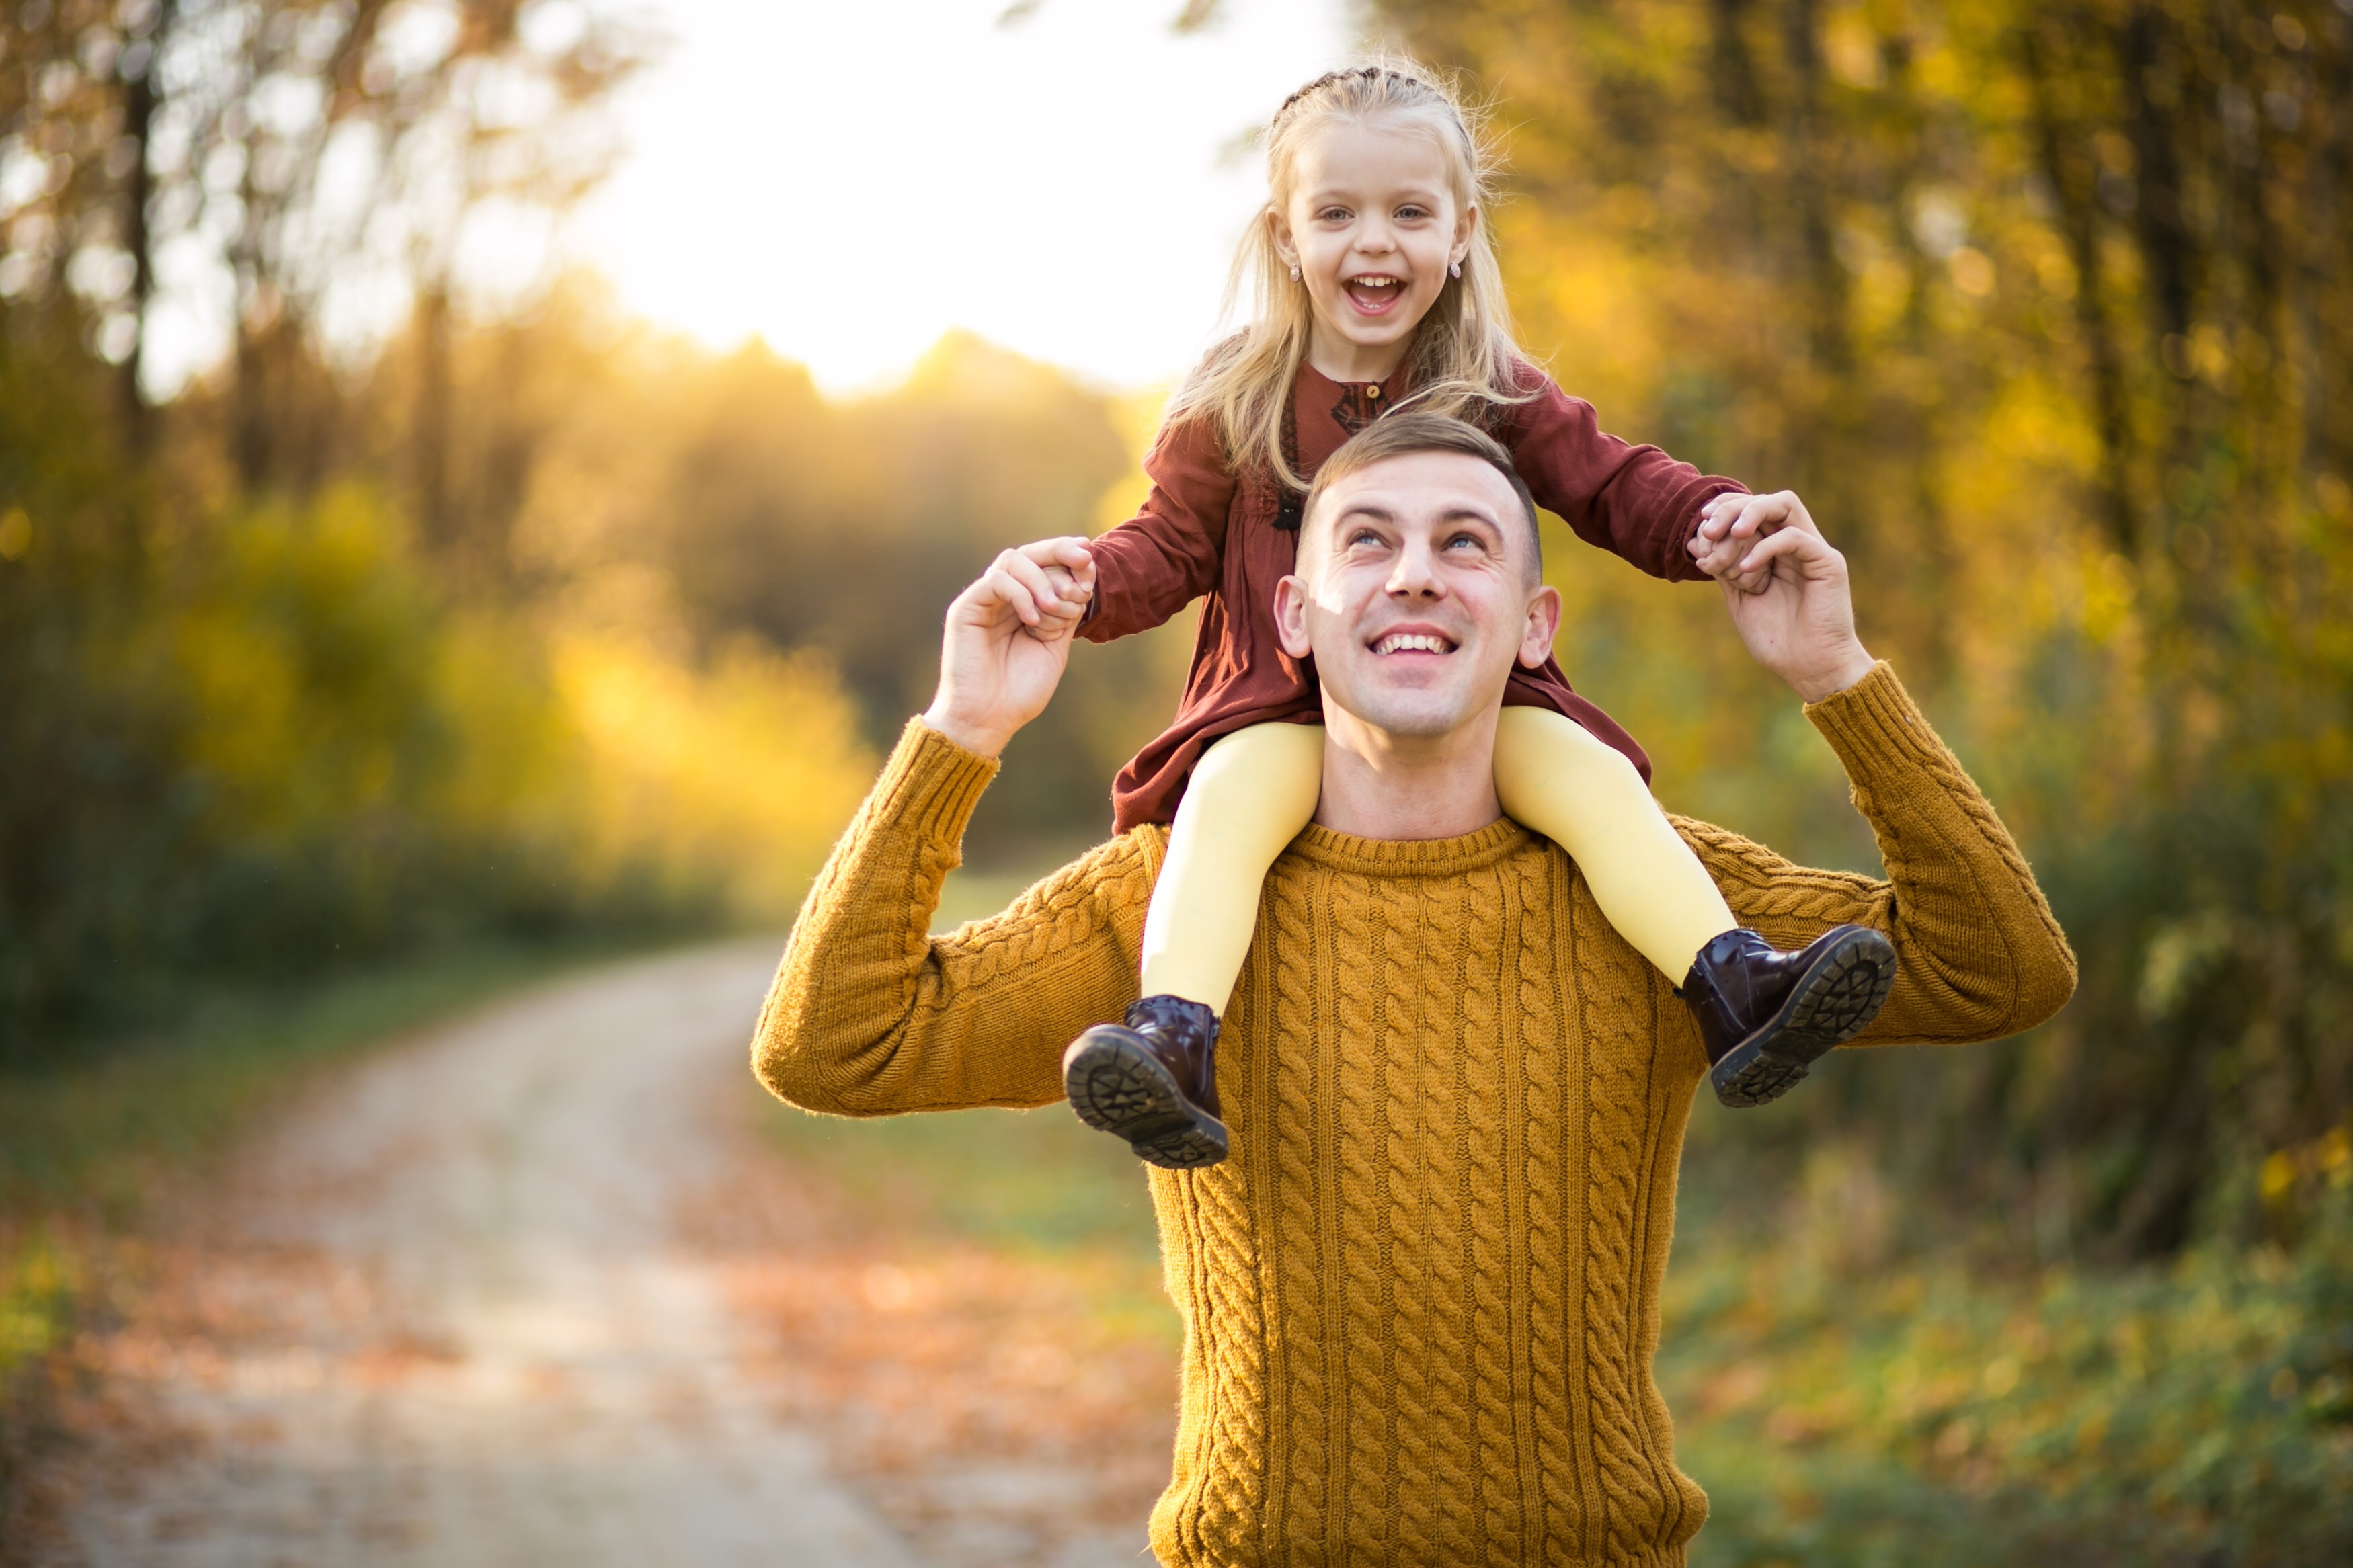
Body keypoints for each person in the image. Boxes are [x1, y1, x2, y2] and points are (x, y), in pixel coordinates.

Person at [753, 412, 2076, 1567]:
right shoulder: (1166, 910)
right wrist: (959, 734)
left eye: (1464, 543)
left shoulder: (1657, 895)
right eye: (1369, 542)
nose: (1415, 579)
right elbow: (833, 1047)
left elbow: (1996, 969)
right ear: (1293, 618)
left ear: (1533, 622)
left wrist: (1836, 678)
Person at [998, 62, 1891, 1171]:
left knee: (1586, 774)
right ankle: (1176, 1035)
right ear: (1285, 236)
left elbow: (1612, 484)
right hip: (1278, 705)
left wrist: (1714, 519)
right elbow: (1169, 544)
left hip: (1473, 704)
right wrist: (1079, 583)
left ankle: (1732, 982)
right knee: (1224, 797)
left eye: (1409, 213)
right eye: (1337, 214)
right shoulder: (1235, 397)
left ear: (1461, 232)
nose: (1375, 243)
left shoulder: (1488, 386)